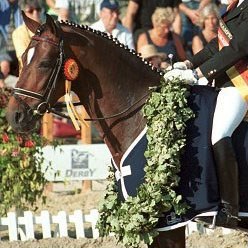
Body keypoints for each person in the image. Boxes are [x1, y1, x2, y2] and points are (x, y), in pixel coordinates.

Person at [166, 0, 248, 228]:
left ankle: (230, 210)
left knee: (219, 133)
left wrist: (199, 73)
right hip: (226, 82)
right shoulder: (233, 8)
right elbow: (217, 45)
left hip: (243, 84)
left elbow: (238, 48)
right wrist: (188, 64)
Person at [12, 0, 42, 71]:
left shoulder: (49, 29)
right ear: (23, 14)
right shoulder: (18, 33)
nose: (36, 13)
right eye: (31, 10)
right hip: (29, 75)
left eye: (38, 9)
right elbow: (25, 59)